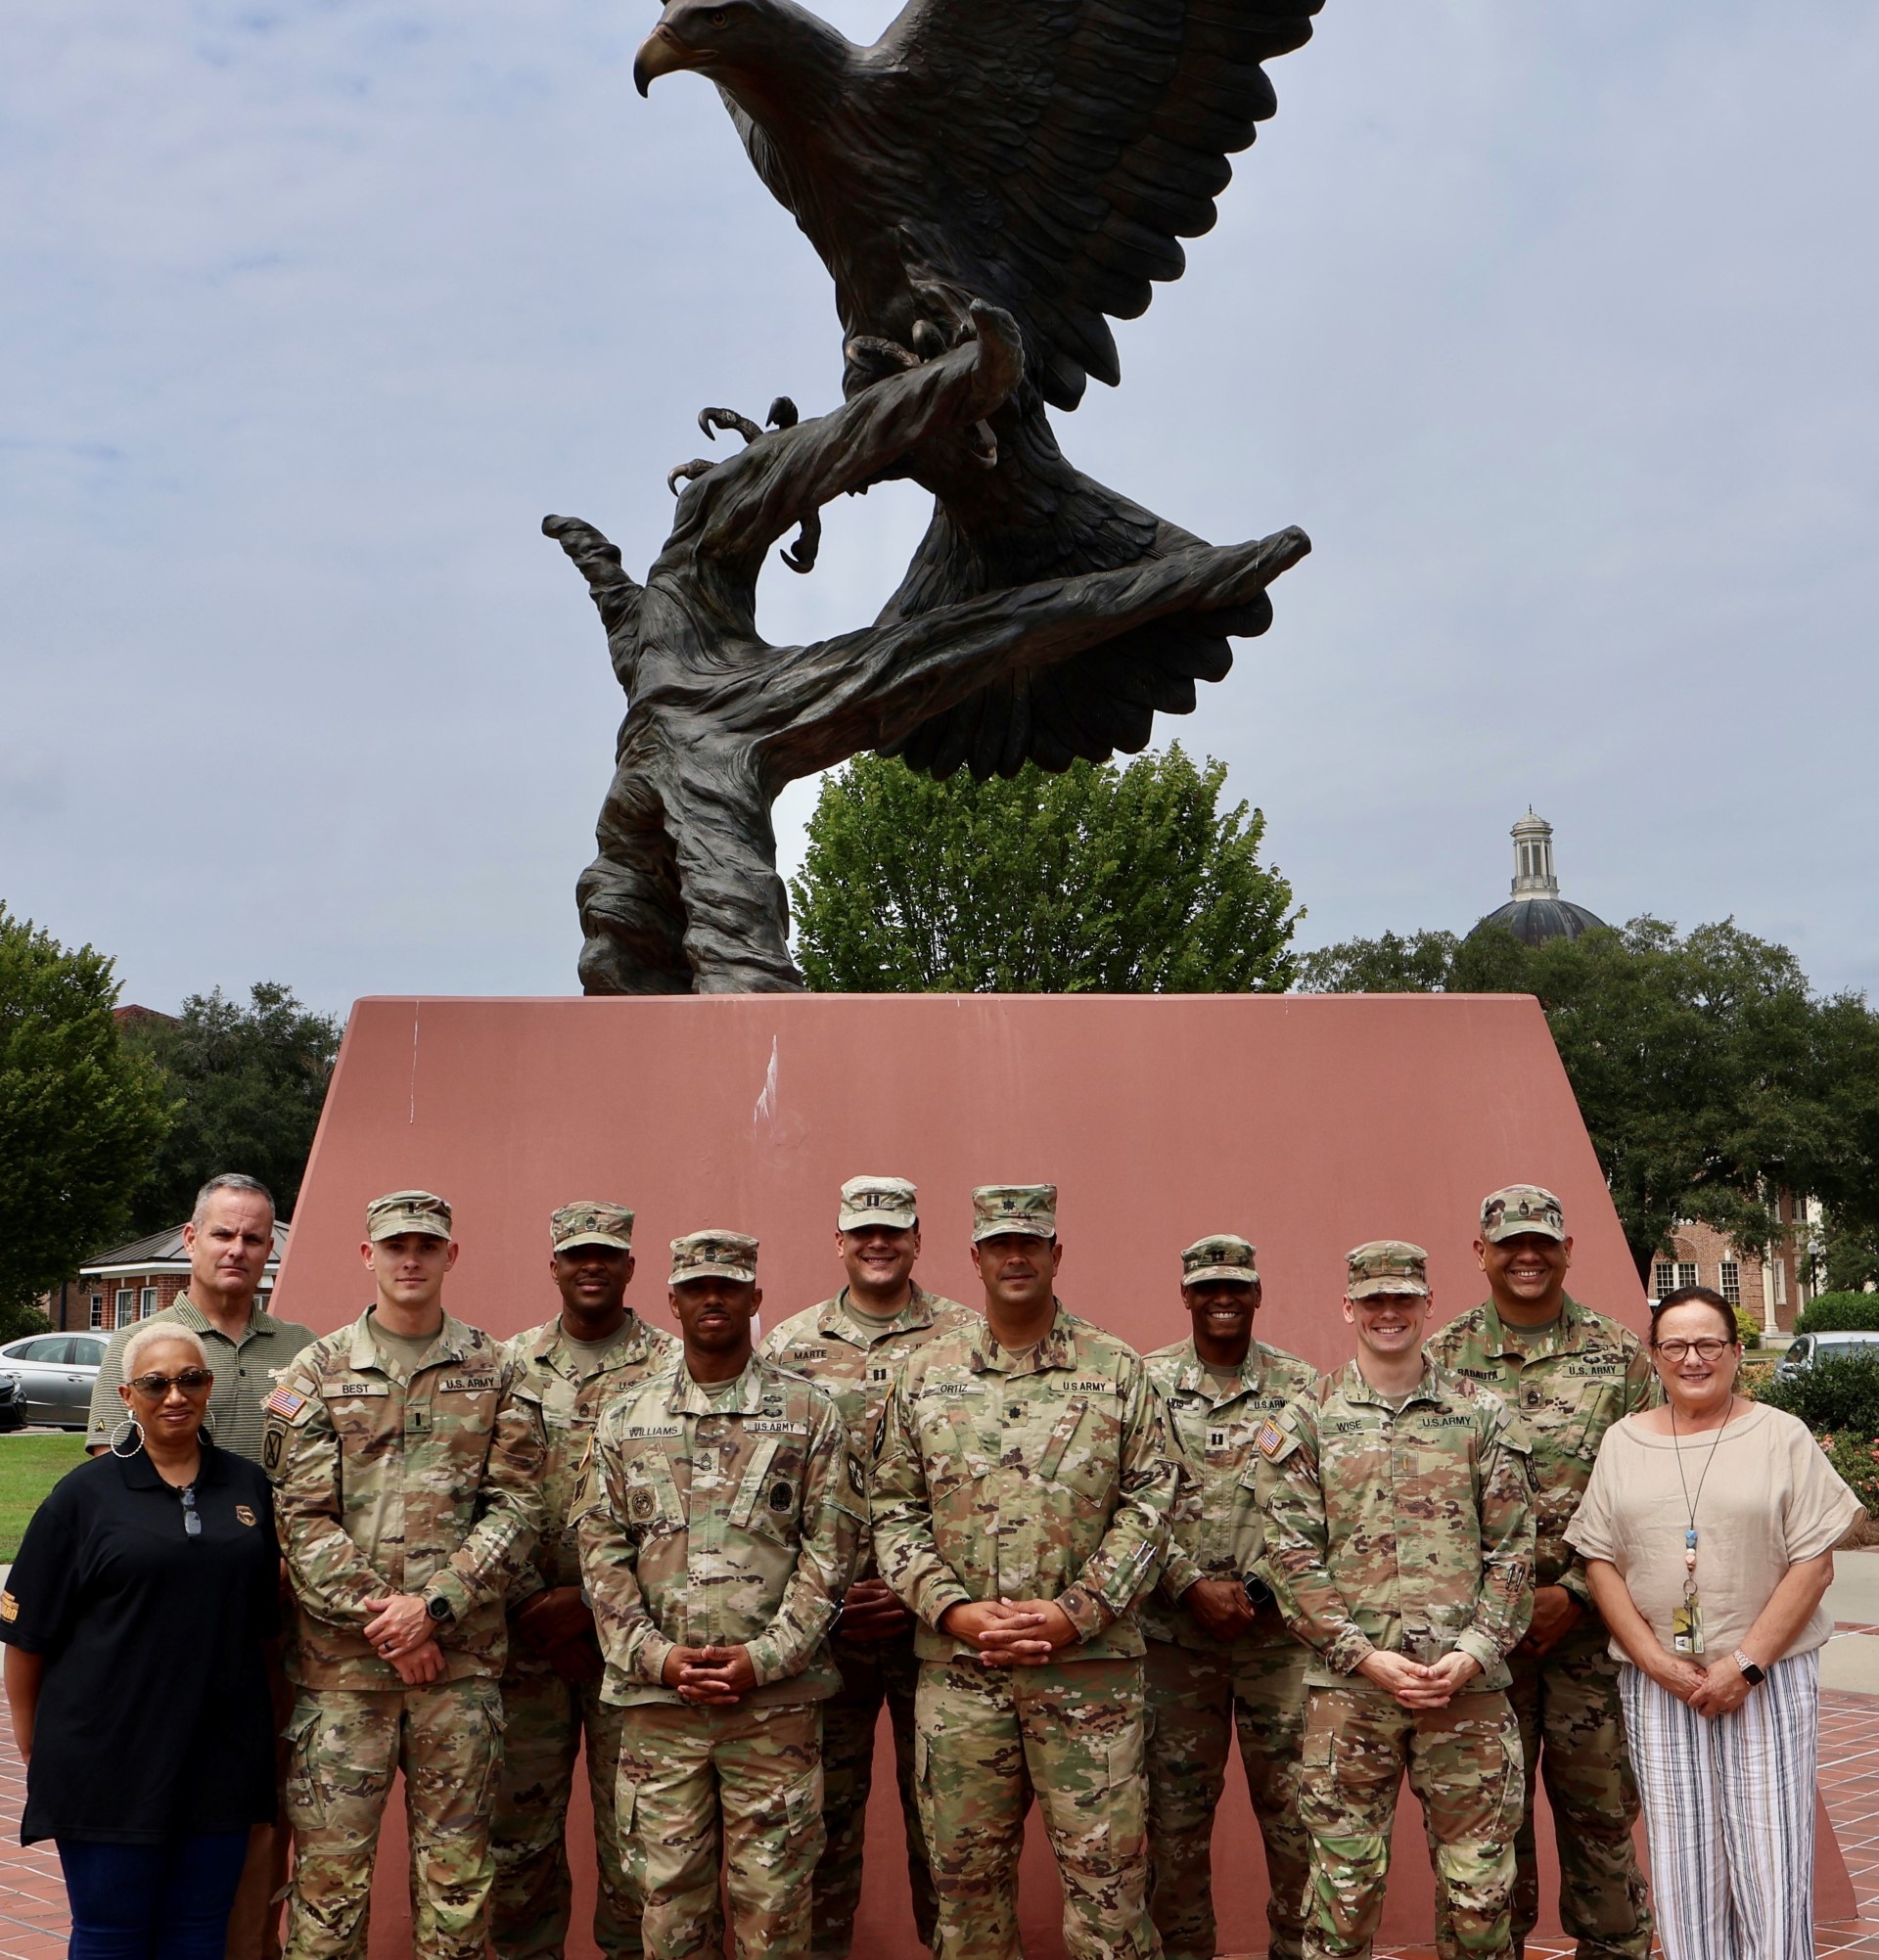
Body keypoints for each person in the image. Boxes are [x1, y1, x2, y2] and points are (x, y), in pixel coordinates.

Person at [871, 1183, 1179, 1960]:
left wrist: (1079, 1608)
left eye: (1031, 1242)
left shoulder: (1116, 1369)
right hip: (961, 1675)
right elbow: (892, 1508)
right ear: (974, 1257)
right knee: (965, 1892)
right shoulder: (926, 1372)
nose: (1016, 1256)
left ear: (1055, 1253)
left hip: (1090, 1675)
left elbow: (1153, 1505)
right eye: (1000, 1243)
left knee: (1109, 1890)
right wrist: (951, 1610)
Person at [260, 1190, 546, 1960]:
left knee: (458, 1890)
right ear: (368, 1256)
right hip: (343, 1678)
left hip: (458, 1675)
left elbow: (517, 1508)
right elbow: (302, 1518)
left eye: (426, 1244)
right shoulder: (314, 1372)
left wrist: (437, 1608)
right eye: (394, 1245)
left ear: (451, 1254)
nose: (410, 1259)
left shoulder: (498, 1368)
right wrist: (392, 1626)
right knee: (327, 1888)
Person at [575, 1229, 864, 1960]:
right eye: (698, 1286)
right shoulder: (624, 1418)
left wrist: (765, 1658)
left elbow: (832, 1554)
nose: (713, 1298)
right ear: (670, 1300)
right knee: (669, 1920)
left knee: (777, 1917)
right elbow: (602, 1553)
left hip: (773, 1712)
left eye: (728, 1286)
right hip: (659, 1711)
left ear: (754, 1298)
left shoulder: (809, 1414)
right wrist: (656, 1656)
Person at [1258, 1241, 1535, 1960]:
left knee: (1479, 1902)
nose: (1389, 1313)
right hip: (1351, 1696)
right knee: (1342, 1901)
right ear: (1348, 1307)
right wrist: (1364, 1655)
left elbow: (1513, 1550)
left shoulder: (1482, 1415)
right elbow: (1291, 1558)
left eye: (1403, 1299)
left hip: (1467, 1697)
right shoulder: (1308, 1418)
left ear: (1428, 1305)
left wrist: (1473, 1653)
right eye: (1374, 1300)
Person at [1567, 1285, 1861, 1960]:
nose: (1692, 1358)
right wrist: (1652, 1659)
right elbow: (1599, 1561)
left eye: (1708, 1343)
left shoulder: (1780, 1434)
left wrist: (1746, 1664)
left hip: (1766, 1678)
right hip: (1660, 1684)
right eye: (1675, 1344)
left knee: (1771, 1865)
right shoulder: (1623, 1442)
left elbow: (1814, 1565)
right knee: (1682, 1866)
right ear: (1655, 1355)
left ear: (1735, 1352)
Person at [85, 1172, 316, 1960]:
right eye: (223, 1233)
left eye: (254, 1237)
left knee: (261, 1812)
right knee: (164, 1806)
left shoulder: (303, 1352)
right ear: (191, 1239)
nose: (238, 1249)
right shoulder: (143, 1345)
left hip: (276, 1621)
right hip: (173, 1623)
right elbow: (109, 1490)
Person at [1424, 1185, 1655, 1960]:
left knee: (1602, 1820)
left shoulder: (1619, 1355)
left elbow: (1654, 1491)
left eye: (1542, 1242)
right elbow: (1419, 1494)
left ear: (1566, 1250)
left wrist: (1577, 1593)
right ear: (1481, 1252)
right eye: (1511, 1242)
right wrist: (1497, 1612)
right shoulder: (1440, 1356)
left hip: (1591, 1632)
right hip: (1483, 1646)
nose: (1528, 1255)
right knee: (1487, 1831)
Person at [2, 1325, 282, 1960]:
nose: (175, 1394)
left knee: (198, 1934)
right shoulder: (84, 1497)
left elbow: (264, 1627)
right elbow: (25, 1639)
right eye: (156, 1382)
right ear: (127, 1394)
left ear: (209, 1387)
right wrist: (35, 1742)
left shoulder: (246, 1488)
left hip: (218, 1760)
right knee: (111, 1937)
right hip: (108, 1761)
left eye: (191, 1378)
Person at [756, 1174, 976, 1958]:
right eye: (863, 1232)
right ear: (839, 1241)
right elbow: (766, 1492)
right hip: (826, 1629)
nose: (878, 1243)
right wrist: (826, 1596)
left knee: (953, 1829)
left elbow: (980, 1485)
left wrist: (925, 1589)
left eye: (894, 1230)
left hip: (940, 1628)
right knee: (818, 1828)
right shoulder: (787, 1345)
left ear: (918, 1239)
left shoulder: (967, 1337)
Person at [491, 1203, 678, 1960]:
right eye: (576, 1255)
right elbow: (478, 1494)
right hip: (526, 1641)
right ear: (555, 1266)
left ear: (631, 1267)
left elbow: (691, 1509)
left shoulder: (674, 1362)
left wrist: (596, 1612)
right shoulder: (508, 1364)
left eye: (607, 1254)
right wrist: (531, 1602)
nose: (591, 1266)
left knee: (640, 1840)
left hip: (632, 1649)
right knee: (514, 1843)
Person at [1140, 1234, 1319, 1960]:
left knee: (1300, 1821)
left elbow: (1320, 1506)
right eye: (1208, 1285)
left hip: (1277, 1644)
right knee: (1173, 1830)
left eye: (1236, 1285)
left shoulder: (1305, 1387)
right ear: (1185, 1294)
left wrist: (1256, 1586)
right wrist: (1188, 1584)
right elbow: (1125, 1501)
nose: (1222, 1297)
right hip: (1175, 1647)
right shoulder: (1143, 1382)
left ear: (1257, 1293)